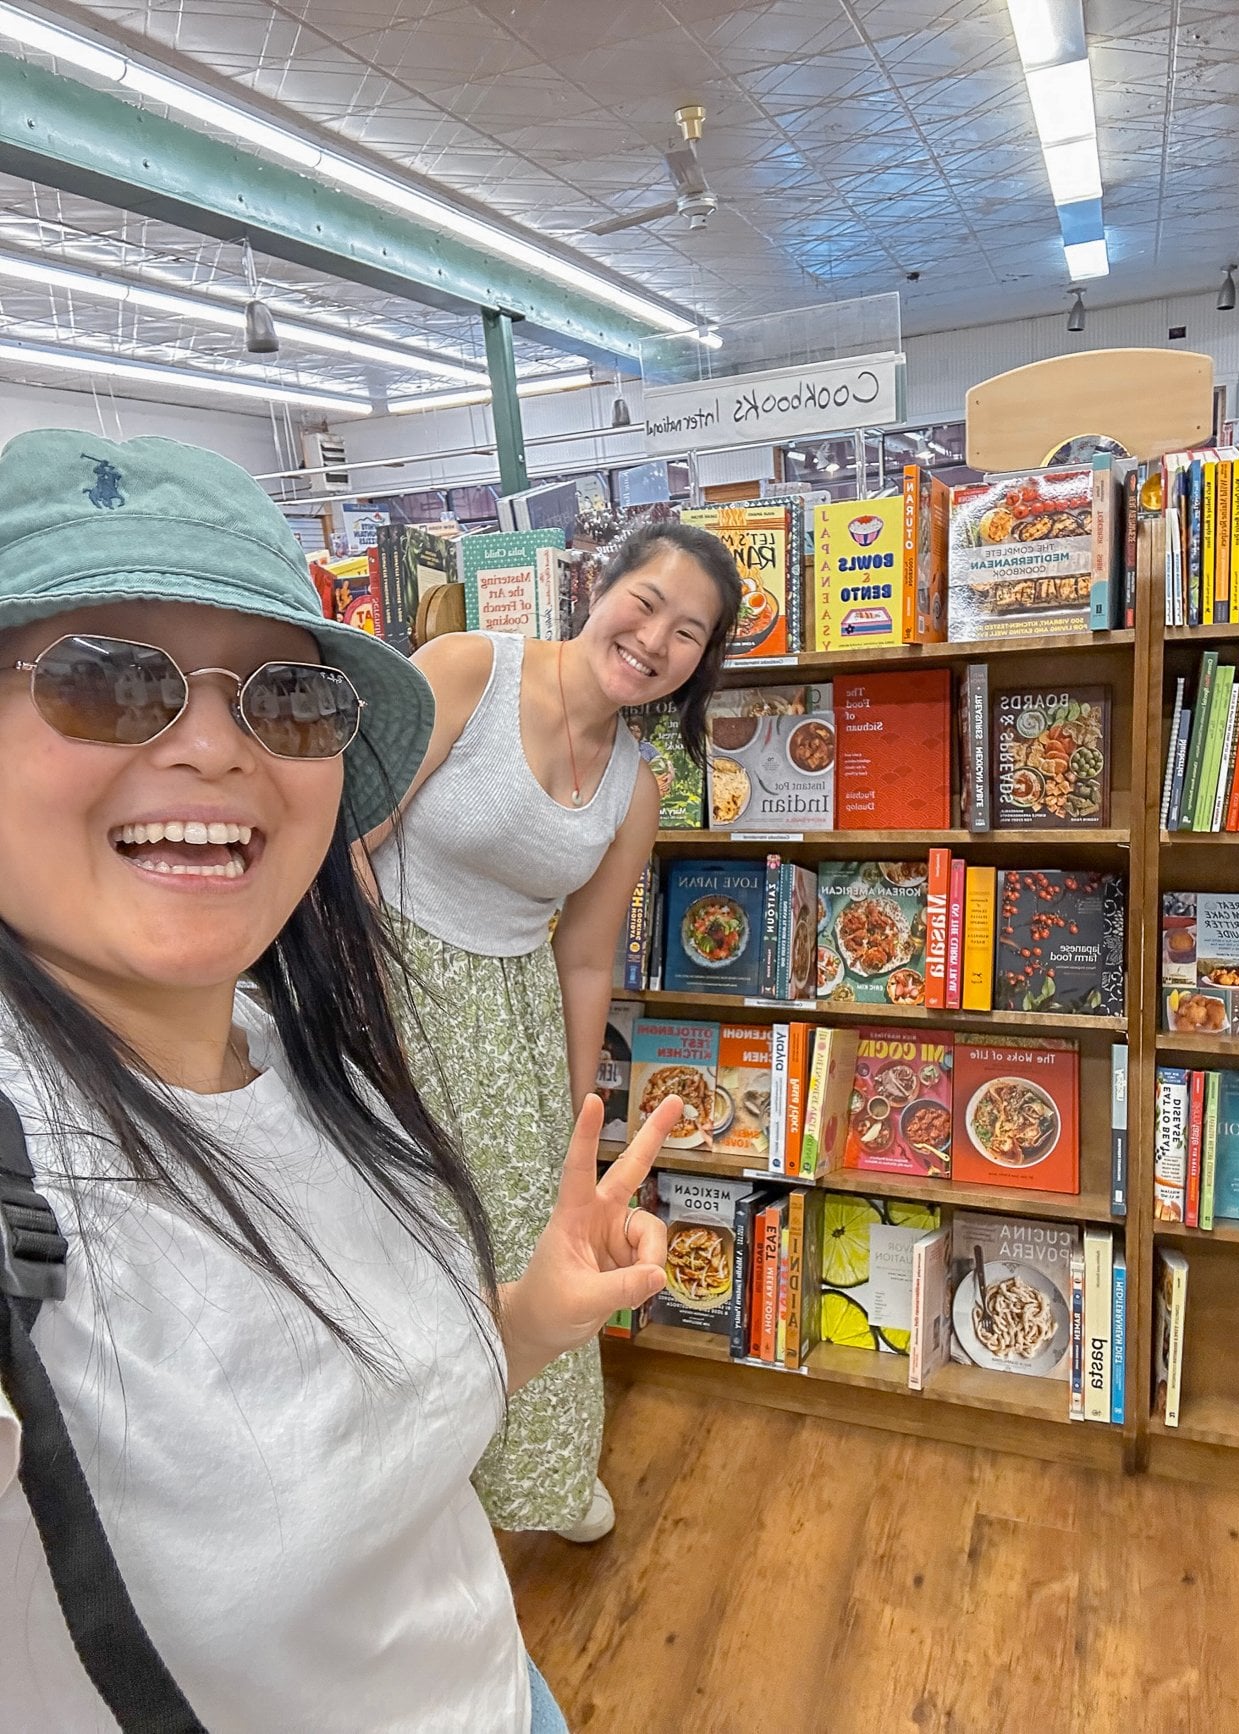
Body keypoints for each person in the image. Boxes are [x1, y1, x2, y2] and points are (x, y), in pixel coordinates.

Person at [0, 429, 678, 1733]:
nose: (217, 747)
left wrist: (531, 1314)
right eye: (107, 678)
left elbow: (373, 1430)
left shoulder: (308, 1049)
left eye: (286, 699)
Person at [371, 523, 741, 1540]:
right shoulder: (465, 670)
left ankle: (538, 1476)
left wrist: (576, 1105)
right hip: (387, 983)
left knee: (535, 1239)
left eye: (688, 633)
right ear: (598, 587)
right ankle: (405, 1494)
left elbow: (584, 957)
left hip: (515, 1028)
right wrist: (363, 1011)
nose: (655, 639)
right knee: (399, 1238)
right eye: (646, 603)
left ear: (699, 662)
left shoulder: (634, 787)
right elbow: (348, 844)